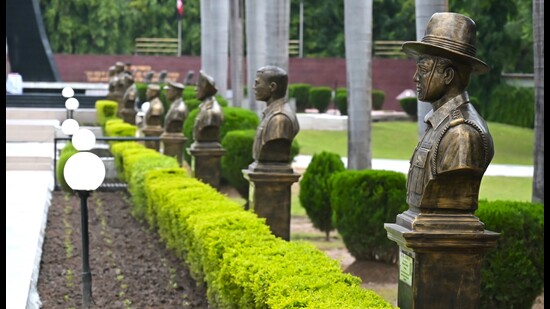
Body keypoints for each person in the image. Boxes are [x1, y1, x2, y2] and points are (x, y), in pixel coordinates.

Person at [400, 12, 494, 225]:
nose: (415, 77)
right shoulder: (440, 125)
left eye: (423, 70)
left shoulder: (462, 135)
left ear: (448, 76)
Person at [250, 65, 300, 171]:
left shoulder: (280, 119)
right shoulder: (272, 113)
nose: (253, 87)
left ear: (272, 87)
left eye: (257, 83)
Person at [192, 70, 224, 145]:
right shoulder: (204, 107)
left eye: (198, 86)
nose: (195, 89)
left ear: (205, 89)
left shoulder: (211, 112)